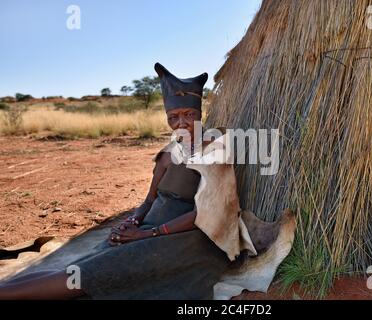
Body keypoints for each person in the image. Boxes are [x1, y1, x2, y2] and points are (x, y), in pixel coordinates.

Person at [0, 63, 231, 300]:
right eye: (173, 117)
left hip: (187, 237)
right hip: (149, 228)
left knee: (93, 274)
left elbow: (205, 213)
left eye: (188, 115)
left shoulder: (214, 151)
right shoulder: (169, 153)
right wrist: (132, 221)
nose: (181, 123)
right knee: (86, 264)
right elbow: (150, 199)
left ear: (200, 114)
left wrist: (149, 234)